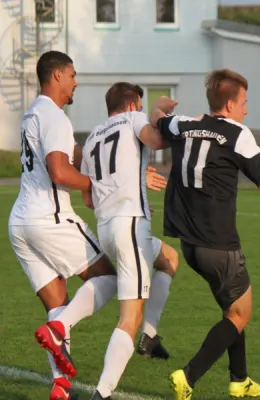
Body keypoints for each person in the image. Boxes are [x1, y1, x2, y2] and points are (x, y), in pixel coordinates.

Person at [150, 68, 260, 400]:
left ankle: (239, 380)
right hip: (219, 244)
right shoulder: (238, 134)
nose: (246, 109)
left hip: (189, 244)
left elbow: (158, 119)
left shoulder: (183, 124)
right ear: (228, 104)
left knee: (232, 308)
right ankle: (189, 376)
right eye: (243, 102)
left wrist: (159, 104)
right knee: (241, 313)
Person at [8, 50, 118, 400]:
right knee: (108, 277)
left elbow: (75, 154)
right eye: (72, 75)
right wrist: (99, 186)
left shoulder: (32, 114)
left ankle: (59, 385)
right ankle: (58, 330)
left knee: (58, 302)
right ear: (56, 75)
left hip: (20, 223)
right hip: (48, 218)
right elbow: (60, 171)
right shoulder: (55, 116)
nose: (76, 82)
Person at [75, 82, 178, 400]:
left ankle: (150, 335)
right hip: (130, 226)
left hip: (106, 229)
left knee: (169, 258)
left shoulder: (91, 137)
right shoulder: (134, 120)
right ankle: (102, 394)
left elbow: (89, 198)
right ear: (133, 105)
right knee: (128, 317)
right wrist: (159, 112)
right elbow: (158, 139)